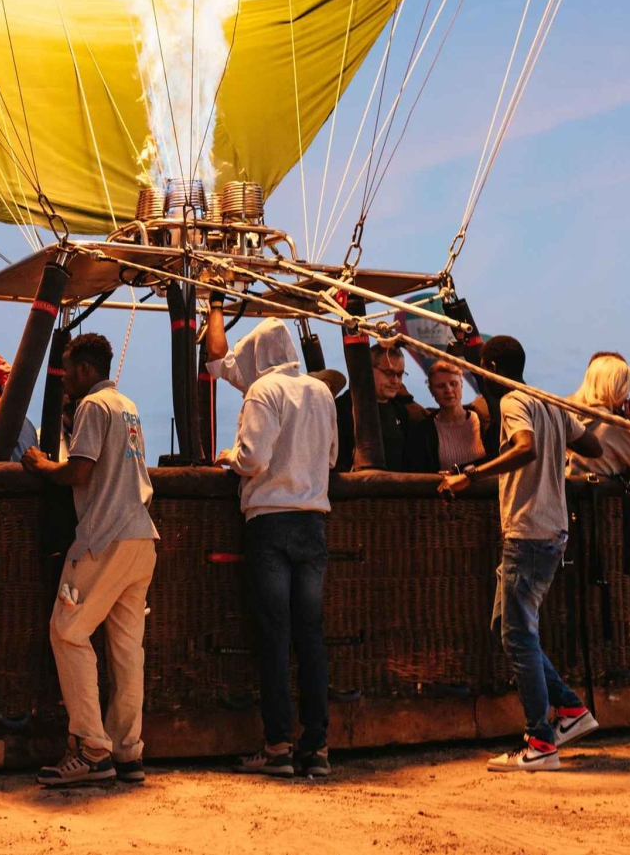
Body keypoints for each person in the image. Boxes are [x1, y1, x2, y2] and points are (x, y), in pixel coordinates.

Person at [436, 335, 605, 772]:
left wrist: (468, 475)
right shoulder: (548, 402)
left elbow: (525, 447)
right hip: (553, 531)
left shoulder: (513, 401)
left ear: (491, 365)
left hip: (528, 533)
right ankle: (569, 710)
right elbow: (593, 448)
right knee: (508, 628)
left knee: (517, 635)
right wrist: (561, 433)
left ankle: (540, 741)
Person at [204, 310, 338, 779]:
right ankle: (316, 748)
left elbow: (253, 458)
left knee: (275, 635)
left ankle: (278, 745)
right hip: (314, 522)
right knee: (311, 636)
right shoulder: (320, 391)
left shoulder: (264, 391)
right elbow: (333, 456)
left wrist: (229, 456)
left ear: (259, 354)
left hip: (270, 522)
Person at [21, 333, 158, 787]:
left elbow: (80, 470)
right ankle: (127, 750)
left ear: (83, 369)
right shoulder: (128, 405)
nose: (62, 380)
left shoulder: (92, 407)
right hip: (141, 536)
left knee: (67, 630)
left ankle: (91, 749)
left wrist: (40, 465)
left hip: (106, 537)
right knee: (126, 648)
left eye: (65, 370)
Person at [566, 351, 630, 492]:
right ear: (616, 389)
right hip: (599, 509)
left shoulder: (568, 413)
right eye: (626, 390)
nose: (627, 396)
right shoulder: (610, 426)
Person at [332, 343, 434, 472]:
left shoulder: (403, 412)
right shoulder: (342, 409)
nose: (395, 381)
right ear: (368, 369)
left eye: (400, 375)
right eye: (389, 373)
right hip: (357, 488)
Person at [418, 358, 487, 471]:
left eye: (453, 383)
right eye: (441, 386)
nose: (448, 390)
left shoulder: (483, 420)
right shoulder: (424, 431)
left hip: (488, 488)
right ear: (431, 390)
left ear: (461, 384)